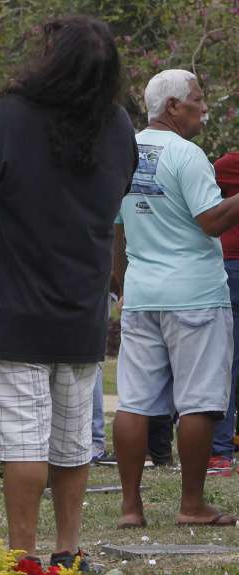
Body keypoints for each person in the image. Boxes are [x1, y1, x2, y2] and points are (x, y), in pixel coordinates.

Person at [0, 16, 137, 568]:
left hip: (10, 308)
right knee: (72, 442)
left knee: (23, 445)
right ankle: (68, 551)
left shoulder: (6, 116)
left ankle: (23, 556)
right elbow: (118, 189)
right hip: (81, 309)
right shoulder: (118, 124)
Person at [113, 69, 239, 528]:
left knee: (134, 401)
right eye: (197, 100)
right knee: (198, 402)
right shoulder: (187, 154)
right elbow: (211, 221)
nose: (203, 108)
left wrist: (123, 283)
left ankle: (131, 507)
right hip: (194, 295)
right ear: (172, 107)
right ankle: (191, 505)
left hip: (142, 292)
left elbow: (117, 230)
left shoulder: (125, 151)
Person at [210, 149, 239, 477]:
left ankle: (220, 451)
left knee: (226, 361)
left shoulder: (228, 164)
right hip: (232, 265)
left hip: (231, 265)